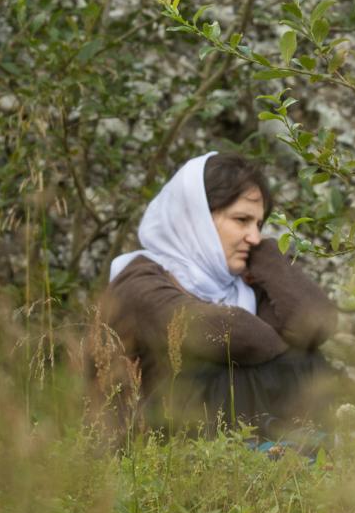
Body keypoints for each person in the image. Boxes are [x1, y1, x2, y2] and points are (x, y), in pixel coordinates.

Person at [90, 151, 338, 444]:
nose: (254, 237)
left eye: (259, 224)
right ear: (195, 219)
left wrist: (269, 258)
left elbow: (317, 321)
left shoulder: (242, 282)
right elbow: (233, 334)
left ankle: (302, 459)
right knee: (272, 362)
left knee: (308, 358)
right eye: (242, 220)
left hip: (242, 452)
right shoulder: (137, 284)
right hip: (162, 458)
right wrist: (287, 345)